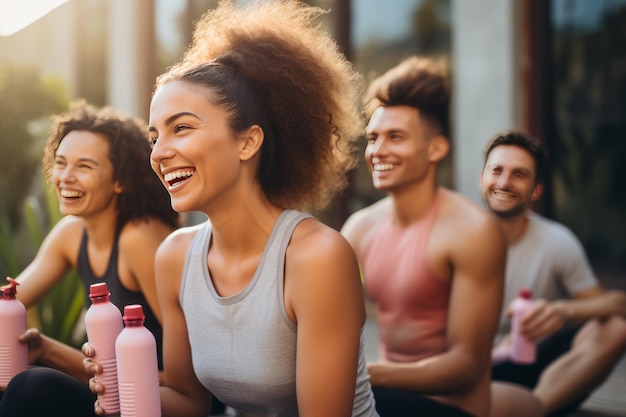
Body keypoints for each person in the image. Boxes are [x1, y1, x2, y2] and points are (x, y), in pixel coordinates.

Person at [87, 1, 378, 416]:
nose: (160, 153)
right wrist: (122, 386)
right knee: (40, 390)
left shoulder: (317, 258)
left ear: (247, 141)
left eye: (181, 128)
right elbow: (189, 402)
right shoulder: (175, 256)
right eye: (154, 137)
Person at [341, 56, 544, 417]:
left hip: (453, 407)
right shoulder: (360, 228)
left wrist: (363, 376)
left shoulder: (472, 231)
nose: (378, 150)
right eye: (373, 138)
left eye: (395, 137)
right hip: (385, 396)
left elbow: (465, 367)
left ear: (436, 149)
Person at [0, 101, 180, 417]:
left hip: (156, 402)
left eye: (84, 166)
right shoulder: (72, 232)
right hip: (108, 396)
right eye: (60, 163)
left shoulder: (140, 239)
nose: (65, 177)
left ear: (119, 181)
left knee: (32, 387)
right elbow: (11, 299)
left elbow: (188, 384)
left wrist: (49, 350)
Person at [481, 129, 626, 417]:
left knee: (615, 329)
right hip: (476, 370)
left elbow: (616, 304)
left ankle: (533, 410)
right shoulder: (455, 237)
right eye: (496, 170)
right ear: (482, 177)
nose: (504, 182)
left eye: (519, 174)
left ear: (536, 190)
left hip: (545, 375)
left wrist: (562, 312)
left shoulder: (557, 241)